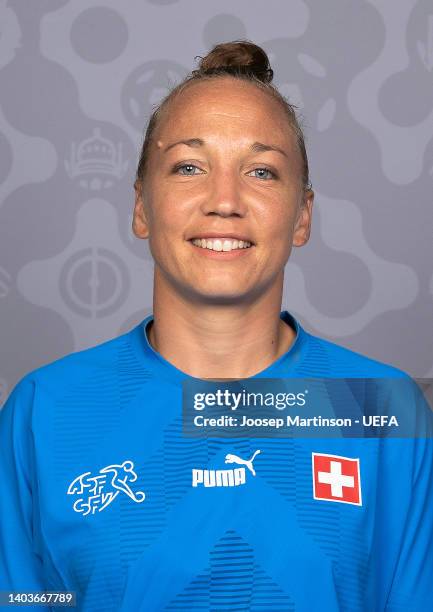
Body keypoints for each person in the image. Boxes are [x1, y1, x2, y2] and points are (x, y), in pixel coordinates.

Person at [0, 40, 432, 612]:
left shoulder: (384, 408)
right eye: (188, 166)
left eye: (261, 171)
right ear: (141, 207)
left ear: (302, 216)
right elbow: (28, 601)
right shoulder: (44, 409)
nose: (224, 200)